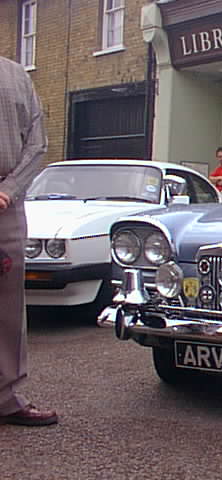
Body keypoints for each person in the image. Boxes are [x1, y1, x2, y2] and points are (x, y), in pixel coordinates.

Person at [0, 56, 57, 426]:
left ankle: (6, 397)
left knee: (7, 307)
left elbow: (37, 143)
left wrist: (8, 189)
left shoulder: (16, 75)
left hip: (6, 205)